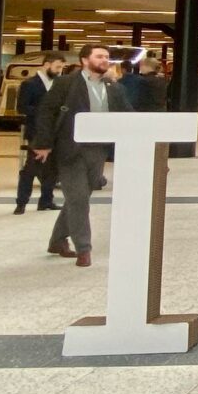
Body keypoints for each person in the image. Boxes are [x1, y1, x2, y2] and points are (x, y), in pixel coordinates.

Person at [31, 44, 133, 267]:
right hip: (70, 149)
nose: (104, 60)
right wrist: (43, 144)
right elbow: (46, 112)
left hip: (98, 150)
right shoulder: (66, 83)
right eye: (99, 56)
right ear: (85, 60)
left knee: (80, 197)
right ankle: (84, 249)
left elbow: (127, 114)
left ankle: (57, 241)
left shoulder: (114, 87)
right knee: (78, 198)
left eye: (106, 57)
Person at [14, 52, 66, 215]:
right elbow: (22, 107)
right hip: (36, 132)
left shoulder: (59, 84)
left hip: (56, 132)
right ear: (46, 65)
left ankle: (46, 200)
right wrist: (45, 112)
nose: (59, 71)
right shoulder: (29, 84)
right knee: (31, 168)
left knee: (52, 169)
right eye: (57, 67)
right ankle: (21, 202)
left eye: (61, 68)